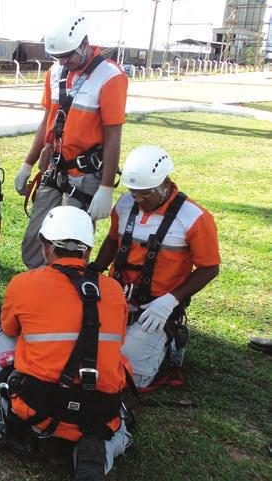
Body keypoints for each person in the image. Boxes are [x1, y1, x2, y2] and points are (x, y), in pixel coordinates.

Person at [0, 206, 132, 481]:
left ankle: (9, 401)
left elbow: (9, 329)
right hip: (98, 412)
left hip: (38, 408)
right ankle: (98, 451)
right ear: (87, 250)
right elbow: (115, 342)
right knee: (115, 423)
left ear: (46, 246)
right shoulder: (114, 290)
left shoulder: (23, 284)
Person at [91, 145, 220, 388]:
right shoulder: (125, 203)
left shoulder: (194, 217)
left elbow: (210, 267)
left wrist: (170, 301)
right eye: (133, 191)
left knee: (130, 377)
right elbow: (112, 239)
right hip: (115, 299)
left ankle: (169, 340)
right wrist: (95, 270)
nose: (137, 199)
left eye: (145, 193)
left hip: (156, 307)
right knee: (83, 351)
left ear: (165, 183)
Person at [14, 13, 127, 269]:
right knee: (36, 239)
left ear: (85, 44)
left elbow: (113, 135)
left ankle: (64, 295)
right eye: (58, 57)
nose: (64, 62)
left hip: (84, 173)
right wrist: (28, 164)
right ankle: (38, 286)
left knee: (69, 243)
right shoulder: (56, 72)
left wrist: (106, 188)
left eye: (69, 56)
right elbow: (47, 121)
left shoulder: (110, 77)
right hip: (54, 168)